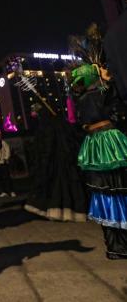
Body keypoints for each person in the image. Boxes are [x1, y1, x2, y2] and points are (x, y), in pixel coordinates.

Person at [70, 28, 127, 259]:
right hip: (112, 143)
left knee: (105, 195)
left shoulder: (81, 98)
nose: (107, 70)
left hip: (93, 146)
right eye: (103, 68)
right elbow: (118, 114)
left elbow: (80, 124)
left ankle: (115, 247)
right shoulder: (105, 92)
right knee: (120, 189)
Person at [23, 103, 87, 222]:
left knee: (58, 187)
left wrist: (43, 164)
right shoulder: (63, 124)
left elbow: (47, 146)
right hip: (66, 161)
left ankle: (63, 211)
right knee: (67, 186)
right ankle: (71, 211)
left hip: (56, 162)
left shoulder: (47, 126)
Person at [0, 130, 16, 198]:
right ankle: (3, 191)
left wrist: (6, 158)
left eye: (0, 134)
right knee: (0, 178)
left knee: (7, 177)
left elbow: (8, 150)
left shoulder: (3, 142)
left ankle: (11, 191)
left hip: (3, 162)